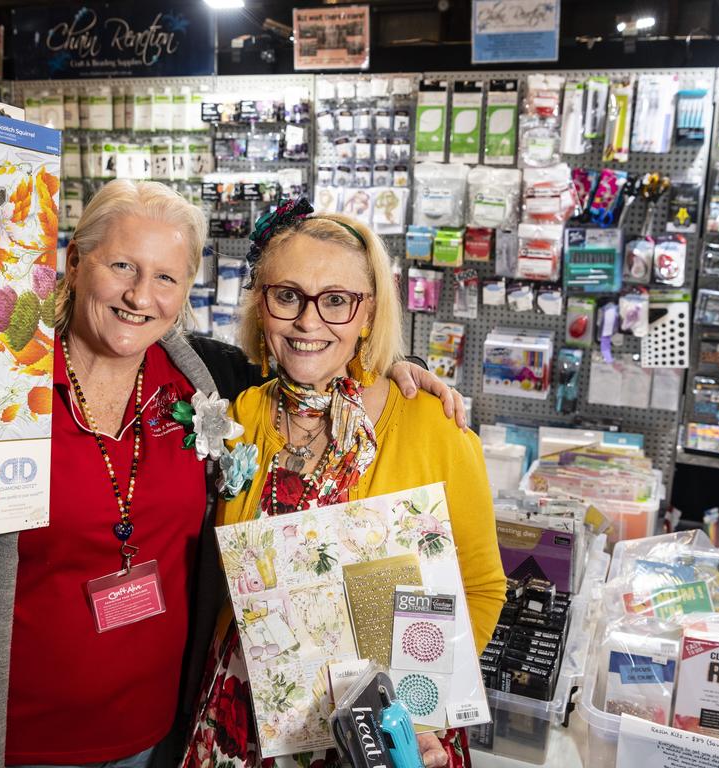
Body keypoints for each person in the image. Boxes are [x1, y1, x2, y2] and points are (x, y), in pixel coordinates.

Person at [0, 180, 466, 768]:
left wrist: (398, 369)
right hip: (10, 737)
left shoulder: (211, 381)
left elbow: (311, 354)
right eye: (122, 267)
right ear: (76, 260)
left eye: (167, 277)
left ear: (188, 288)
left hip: (159, 736)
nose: (142, 297)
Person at [182, 199, 506, 768]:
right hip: (248, 721)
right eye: (288, 296)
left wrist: (422, 712)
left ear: (367, 313)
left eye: (336, 301)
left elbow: (479, 587)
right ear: (262, 306)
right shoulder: (242, 414)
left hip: (387, 729)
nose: (310, 323)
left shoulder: (433, 426)